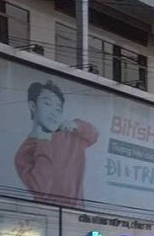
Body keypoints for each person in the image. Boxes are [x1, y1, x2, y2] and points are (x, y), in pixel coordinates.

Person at [14, 80, 99, 209]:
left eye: (58, 108)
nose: (54, 112)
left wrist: (77, 125)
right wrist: (44, 142)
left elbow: (94, 135)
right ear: (33, 106)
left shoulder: (70, 135)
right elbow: (41, 190)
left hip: (77, 216)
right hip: (45, 219)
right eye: (47, 103)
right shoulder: (24, 153)